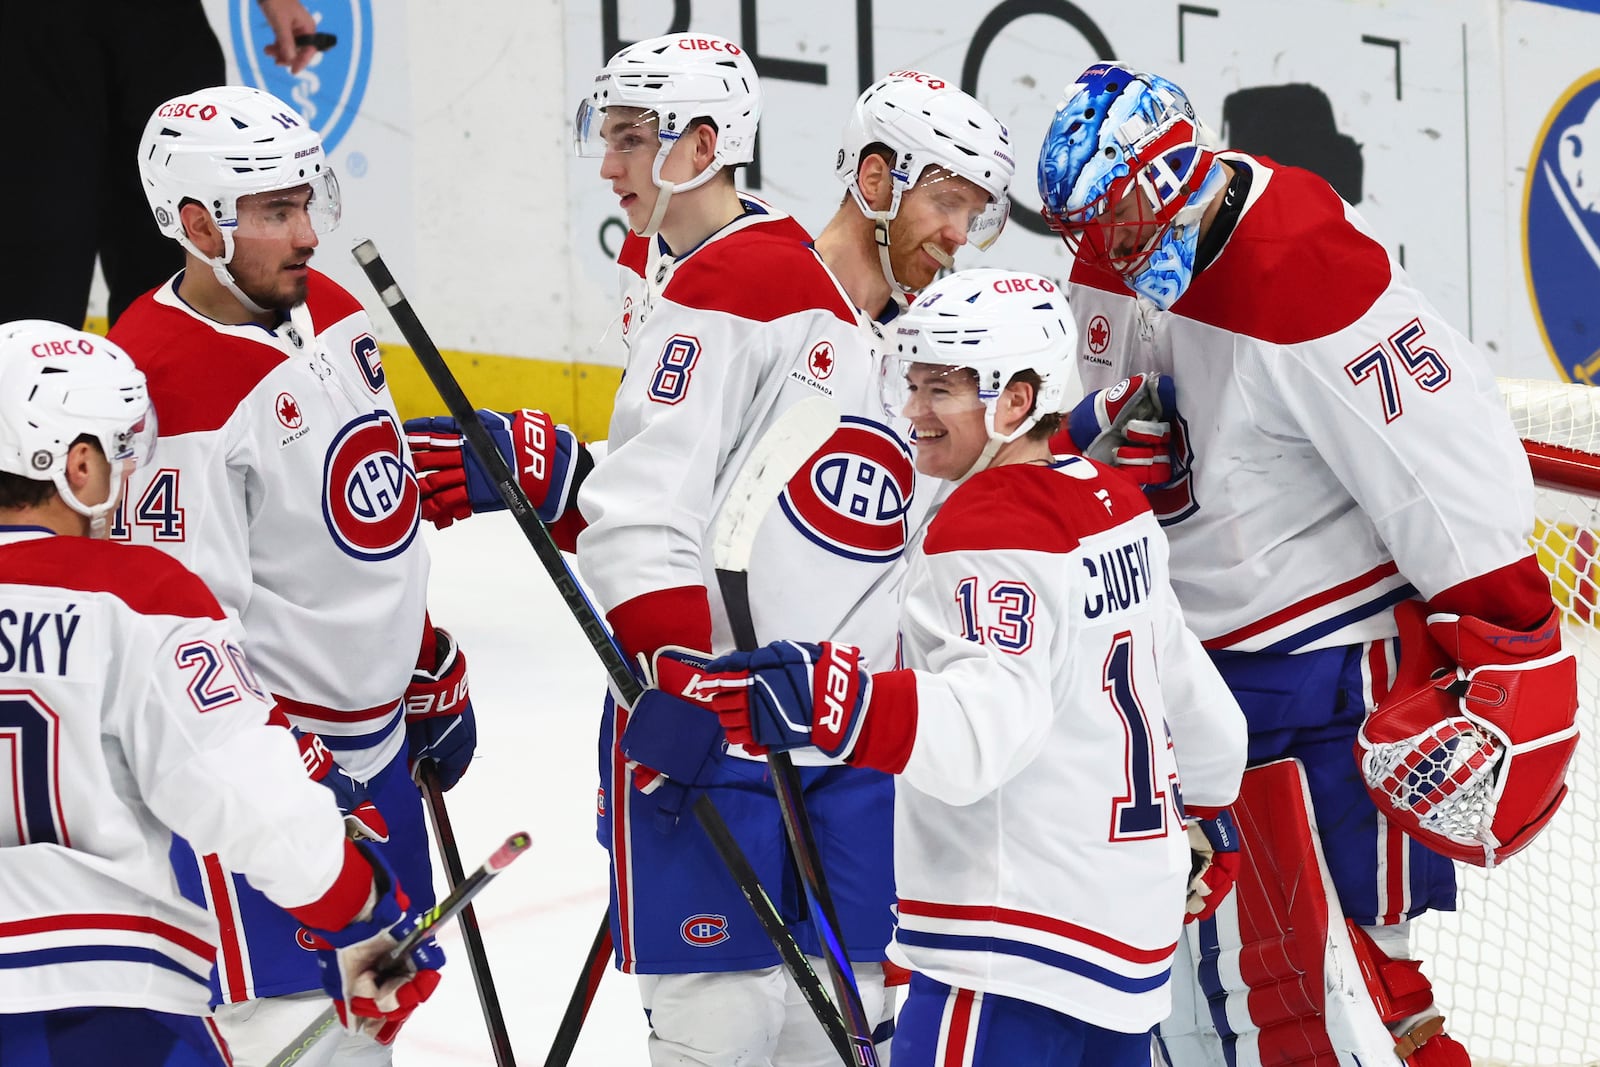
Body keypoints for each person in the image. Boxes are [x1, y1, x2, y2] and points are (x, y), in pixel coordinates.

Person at [1035, 62, 1577, 1066]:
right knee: (1217, 988)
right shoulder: (1114, 249)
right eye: (1088, 228)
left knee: (1354, 987)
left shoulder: (1305, 269)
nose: (1103, 248)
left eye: (1116, 220)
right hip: (1187, 678)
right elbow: (1106, 412)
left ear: (1165, 183)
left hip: (1324, 670)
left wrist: (1510, 633)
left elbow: (1442, 455)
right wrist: (1103, 445)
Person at [700, 268, 1248, 1067]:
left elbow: (979, 737)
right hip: (1126, 955)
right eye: (913, 382)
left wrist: (831, 703)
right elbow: (1208, 721)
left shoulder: (987, 526)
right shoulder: (1115, 505)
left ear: (1017, 401)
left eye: (942, 390)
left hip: (1009, 954)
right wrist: (1207, 812)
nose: (914, 412)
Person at [104, 85, 475, 1067]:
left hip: (374, 753)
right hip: (274, 786)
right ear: (197, 224)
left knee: (368, 1035)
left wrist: (418, 653)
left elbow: (369, 513)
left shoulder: (334, 311)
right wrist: (296, 780)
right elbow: (177, 645)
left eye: (308, 201)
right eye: (275, 213)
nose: (307, 233)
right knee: (294, 1039)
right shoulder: (164, 390)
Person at [0, 320, 441, 1065]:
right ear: (77, 465)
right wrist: (366, 912)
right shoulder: (140, 595)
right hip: (101, 1007)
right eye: (118, 451)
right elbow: (253, 802)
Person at [0, 0, 322, 329]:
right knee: (37, 251)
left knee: (179, 244)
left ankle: (176, 378)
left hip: (163, 26)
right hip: (30, 28)